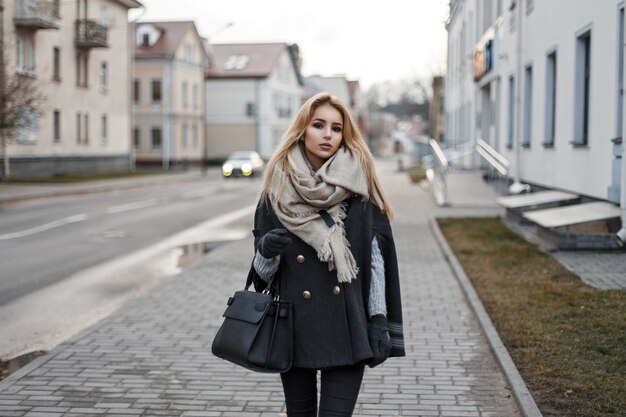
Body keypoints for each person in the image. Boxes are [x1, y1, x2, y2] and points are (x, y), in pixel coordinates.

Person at [249, 92, 405, 417]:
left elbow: (374, 266)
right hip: (294, 329)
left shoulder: (361, 191)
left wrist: (378, 321)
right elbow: (262, 278)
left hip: (348, 325)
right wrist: (267, 252)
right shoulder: (274, 194)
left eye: (336, 128)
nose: (328, 134)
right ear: (302, 130)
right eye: (319, 125)